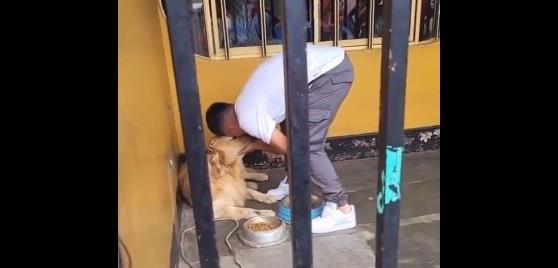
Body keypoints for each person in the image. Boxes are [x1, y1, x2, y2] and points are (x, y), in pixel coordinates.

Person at [205, 45, 356, 234]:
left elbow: (289, 147)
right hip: (324, 67)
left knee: (307, 146)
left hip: (330, 73)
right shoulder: (246, 101)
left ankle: (342, 210)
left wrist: (255, 145)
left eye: (232, 137)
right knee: (290, 125)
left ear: (230, 128)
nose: (237, 139)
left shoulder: (248, 116)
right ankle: (292, 181)